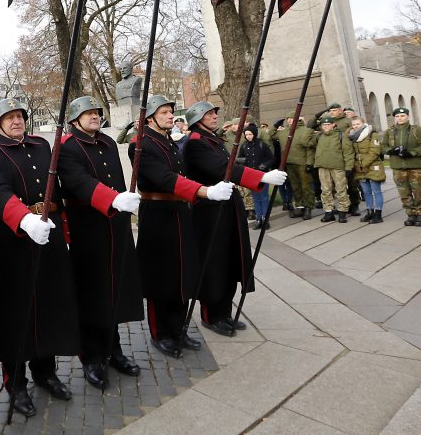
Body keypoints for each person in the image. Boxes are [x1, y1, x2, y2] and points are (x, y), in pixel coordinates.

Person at [0, 98, 79, 418]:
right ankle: (15, 381)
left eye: (20, 116)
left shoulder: (41, 146)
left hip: (48, 234)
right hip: (15, 239)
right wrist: (25, 220)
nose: (17, 121)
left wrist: (63, 229)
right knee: (16, 311)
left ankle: (45, 371)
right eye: (9, 117)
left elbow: (56, 191)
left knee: (49, 304)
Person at [128, 95, 235, 357]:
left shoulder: (168, 141)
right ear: (150, 117)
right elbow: (164, 178)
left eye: (170, 112)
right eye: (163, 112)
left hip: (178, 212)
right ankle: (161, 333)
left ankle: (178, 328)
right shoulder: (140, 145)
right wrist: (203, 192)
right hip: (158, 214)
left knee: (181, 273)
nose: (170, 116)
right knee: (161, 277)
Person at [58, 95, 144, 390]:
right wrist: (114, 200)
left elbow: (116, 179)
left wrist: (122, 203)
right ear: (74, 120)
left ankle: (114, 349)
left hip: (114, 226)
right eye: (88, 113)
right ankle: (92, 357)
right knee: (92, 296)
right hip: (87, 231)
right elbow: (78, 183)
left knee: (114, 292)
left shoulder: (106, 142)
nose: (94, 116)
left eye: (96, 112)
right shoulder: (68, 147)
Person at [182, 101, 287, 336]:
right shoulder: (196, 143)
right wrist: (262, 176)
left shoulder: (213, 140)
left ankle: (225, 313)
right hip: (209, 211)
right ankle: (212, 315)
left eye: (214, 113)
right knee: (214, 264)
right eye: (208, 114)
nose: (214, 117)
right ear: (197, 119)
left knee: (230, 260)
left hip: (227, 207)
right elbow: (222, 168)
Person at [381, 107, 421, 226]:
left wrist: (412, 153)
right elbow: (382, 146)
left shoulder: (417, 130)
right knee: (404, 193)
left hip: (415, 166)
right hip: (398, 167)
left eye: (402, 116)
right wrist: (391, 150)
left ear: (408, 116)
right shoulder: (390, 131)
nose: (400, 118)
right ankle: (411, 214)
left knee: (418, 191)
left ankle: (420, 214)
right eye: (398, 116)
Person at [311, 115, 355, 223]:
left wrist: (349, 167)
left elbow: (348, 153)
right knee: (325, 190)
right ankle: (328, 211)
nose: (325, 126)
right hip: (323, 167)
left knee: (341, 189)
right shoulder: (319, 136)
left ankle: (342, 211)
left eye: (328, 124)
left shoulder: (341, 136)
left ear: (333, 125)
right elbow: (308, 140)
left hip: (337, 167)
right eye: (323, 125)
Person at [271, 114, 316, 220]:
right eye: (288, 119)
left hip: (302, 162)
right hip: (289, 163)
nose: (290, 121)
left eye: (293, 118)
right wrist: (275, 125)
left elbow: (310, 148)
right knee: (295, 186)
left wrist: (310, 163)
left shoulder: (305, 130)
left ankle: (308, 207)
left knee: (306, 186)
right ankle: (300, 206)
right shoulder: (283, 132)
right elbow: (272, 135)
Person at [239, 123, 275, 230]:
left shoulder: (261, 145)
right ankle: (259, 219)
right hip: (251, 176)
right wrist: (242, 161)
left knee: (264, 197)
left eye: (250, 134)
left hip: (262, 175)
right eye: (246, 135)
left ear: (254, 134)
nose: (248, 136)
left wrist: (264, 166)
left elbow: (271, 158)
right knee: (256, 198)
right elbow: (239, 158)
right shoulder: (244, 146)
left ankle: (265, 219)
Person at [349, 116, 385, 223]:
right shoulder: (352, 136)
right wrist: (357, 165)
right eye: (354, 124)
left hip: (373, 166)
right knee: (366, 192)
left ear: (363, 123)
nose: (355, 126)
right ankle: (370, 212)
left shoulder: (372, 134)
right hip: (360, 168)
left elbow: (375, 151)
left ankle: (378, 214)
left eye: (358, 124)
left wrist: (364, 164)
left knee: (376, 191)